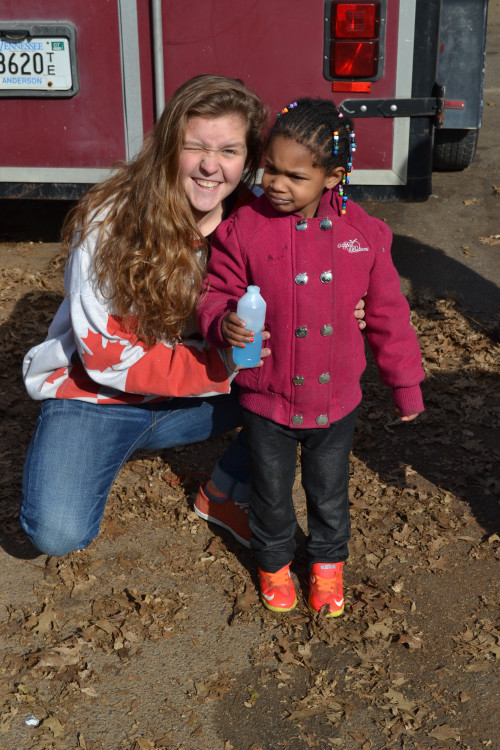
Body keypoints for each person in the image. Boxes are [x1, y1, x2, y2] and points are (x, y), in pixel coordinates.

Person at [20, 75, 367, 557]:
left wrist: (347, 303)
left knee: (301, 388)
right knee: (56, 534)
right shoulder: (110, 221)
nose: (210, 166)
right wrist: (235, 366)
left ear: (249, 160)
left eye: (229, 151)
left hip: (196, 392)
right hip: (99, 397)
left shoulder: (260, 218)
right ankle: (88, 444)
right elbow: (106, 359)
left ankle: (223, 490)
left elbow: (333, 230)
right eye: (195, 147)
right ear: (167, 148)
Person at [197, 98, 425, 618]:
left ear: (332, 176)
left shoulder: (362, 234)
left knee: (329, 490)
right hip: (266, 396)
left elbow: (389, 313)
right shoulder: (244, 228)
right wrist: (220, 320)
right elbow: (215, 291)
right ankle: (274, 563)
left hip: (335, 399)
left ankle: (327, 563)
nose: (276, 183)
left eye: (294, 176)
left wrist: (405, 385)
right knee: (271, 492)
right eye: (270, 168)